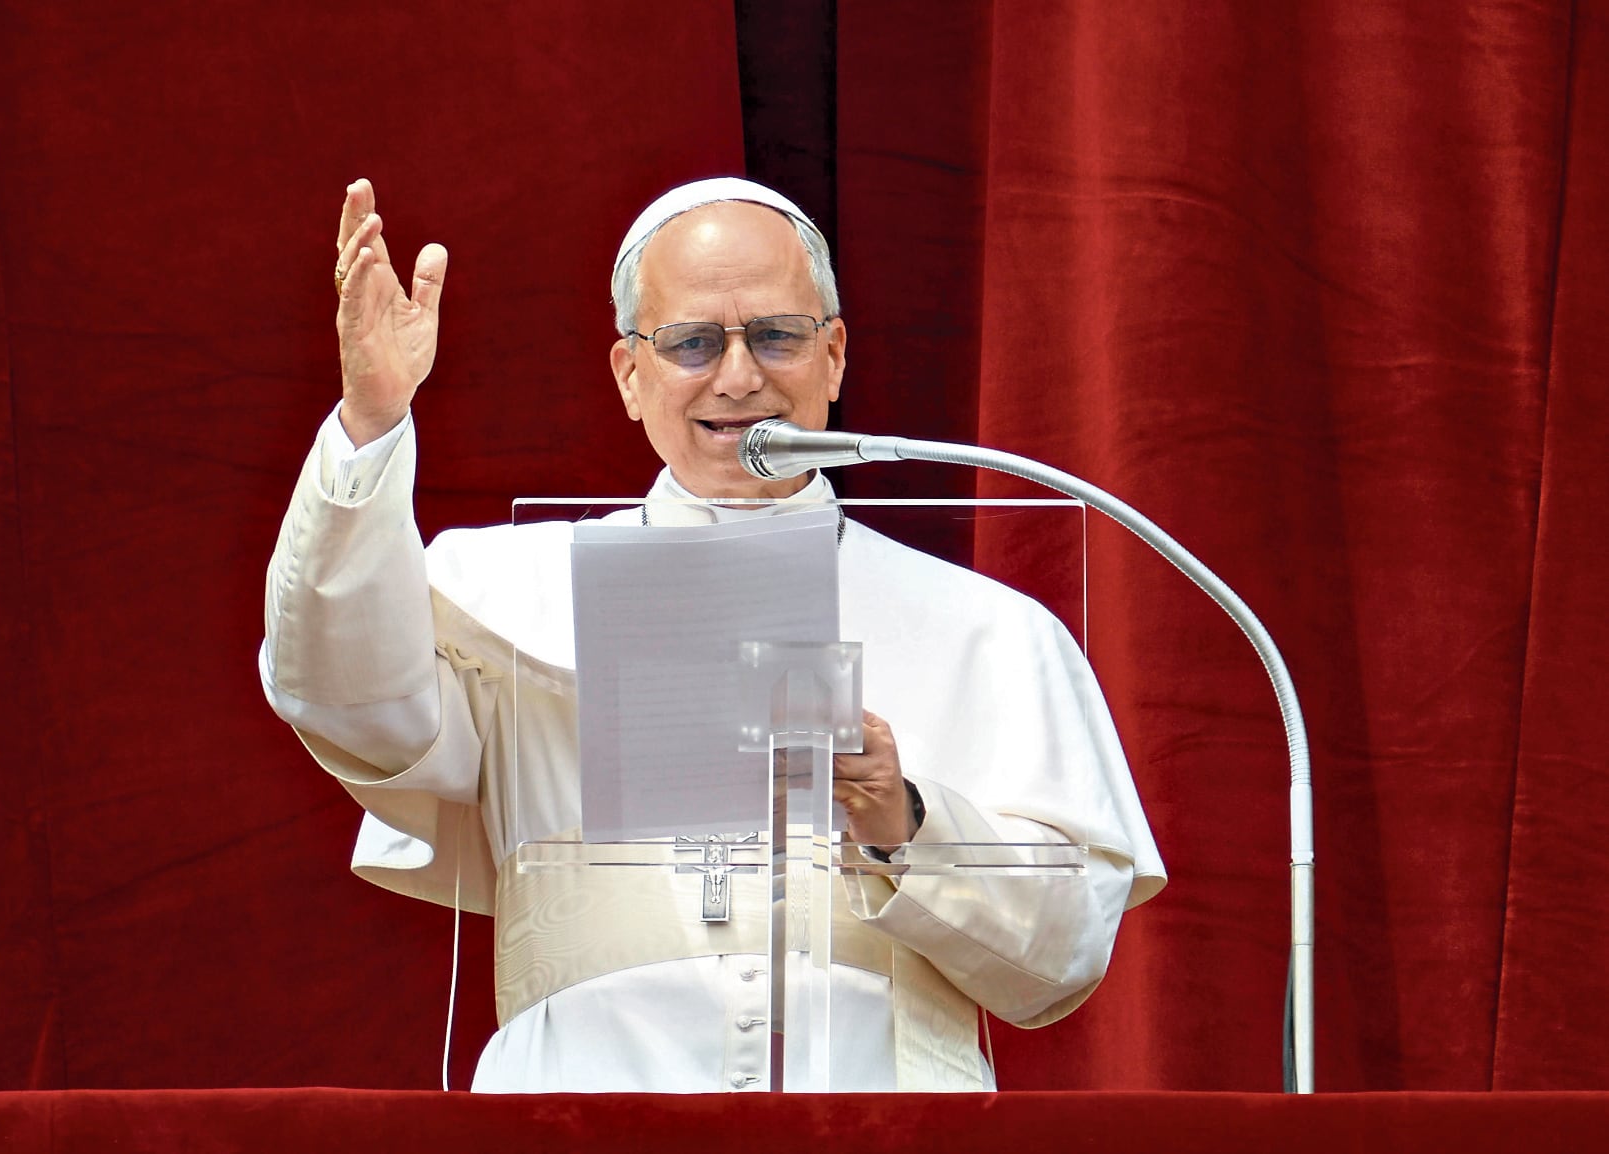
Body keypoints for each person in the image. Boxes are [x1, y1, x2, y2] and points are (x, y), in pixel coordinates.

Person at [261, 176, 1165, 1092]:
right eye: (693, 343)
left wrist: (905, 819)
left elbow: (1067, 949)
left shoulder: (982, 627)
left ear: (835, 356)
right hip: (578, 1121)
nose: (739, 378)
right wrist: (371, 425)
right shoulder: (500, 587)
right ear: (629, 376)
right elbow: (344, 697)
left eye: (775, 335)